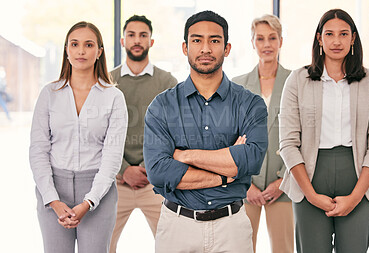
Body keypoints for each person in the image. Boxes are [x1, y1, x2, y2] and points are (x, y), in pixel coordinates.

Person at [143, 10, 269, 253]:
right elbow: (159, 172)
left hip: (231, 228)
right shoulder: (162, 106)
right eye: (197, 40)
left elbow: (250, 160)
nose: (205, 48)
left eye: (214, 40)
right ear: (185, 47)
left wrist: (186, 156)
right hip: (177, 227)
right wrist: (225, 173)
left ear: (227, 48)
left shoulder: (250, 104)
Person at [278, 9, 369, 253]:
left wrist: (356, 196)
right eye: (329, 34)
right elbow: (287, 143)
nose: (336, 41)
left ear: (353, 39)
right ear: (319, 39)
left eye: (343, 34)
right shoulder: (297, 80)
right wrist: (311, 194)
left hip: (358, 176)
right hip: (309, 177)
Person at [29, 21, 128, 253]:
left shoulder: (114, 97)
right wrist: (53, 200)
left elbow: (112, 157)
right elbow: (38, 150)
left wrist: (88, 202)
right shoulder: (49, 94)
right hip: (53, 187)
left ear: (99, 51)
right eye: (74, 44)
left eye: (88, 44)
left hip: (98, 190)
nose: (81, 51)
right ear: (67, 49)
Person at [109, 14, 177, 253]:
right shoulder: (107, 81)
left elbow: (176, 133)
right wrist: (124, 169)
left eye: (143, 35)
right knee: (101, 245)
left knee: (171, 244)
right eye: (131, 35)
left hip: (154, 182)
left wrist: (153, 167)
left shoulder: (167, 82)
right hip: (115, 181)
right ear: (122, 41)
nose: (137, 40)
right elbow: (98, 135)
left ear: (151, 41)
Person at [233, 14, 294, 253]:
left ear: (281, 41)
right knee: (241, 248)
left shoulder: (296, 81)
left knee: (284, 248)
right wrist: (245, 183)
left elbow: (305, 137)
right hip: (247, 186)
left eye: (272, 38)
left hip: (284, 185)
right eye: (260, 38)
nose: (267, 44)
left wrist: (284, 180)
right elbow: (230, 139)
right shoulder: (237, 86)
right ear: (252, 42)